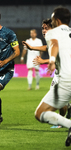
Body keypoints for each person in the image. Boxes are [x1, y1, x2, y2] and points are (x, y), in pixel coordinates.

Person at [33, 7, 71, 146]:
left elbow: (54, 44)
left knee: (40, 113)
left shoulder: (52, 32)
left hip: (67, 79)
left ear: (57, 20)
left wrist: (52, 60)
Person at [23, 19, 71, 128]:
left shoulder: (57, 38)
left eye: (47, 28)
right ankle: (65, 116)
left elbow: (57, 51)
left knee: (42, 110)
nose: (44, 31)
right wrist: (32, 47)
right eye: (43, 28)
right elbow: (48, 47)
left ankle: (62, 122)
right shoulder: (61, 36)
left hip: (64, 75)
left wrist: (46, 61)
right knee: (56, 98)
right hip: (60, 74)